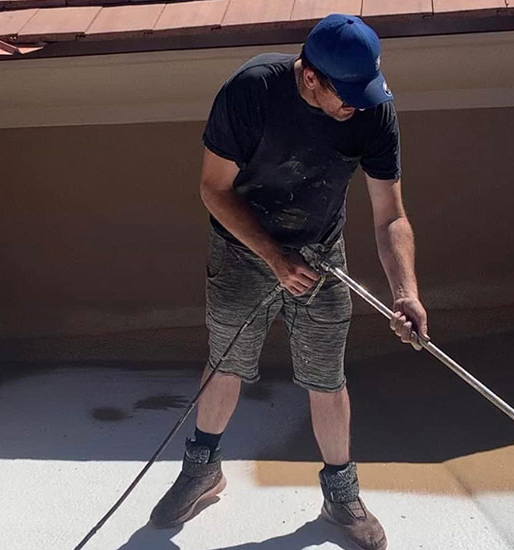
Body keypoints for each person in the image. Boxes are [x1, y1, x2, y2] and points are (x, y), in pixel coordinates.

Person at [149, 13, 428, 550]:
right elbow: (212, 190)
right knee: (226, 363)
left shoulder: (372, 109)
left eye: (365, 93)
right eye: (346, 96)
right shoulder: (250, 92)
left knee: (327, 376)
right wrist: (274, 257)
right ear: (310, 76)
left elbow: (390, 215)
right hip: (242, 249)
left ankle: (340, 495)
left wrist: (406, 293)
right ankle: (202, 470)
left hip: (322, 255)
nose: (356, 106)